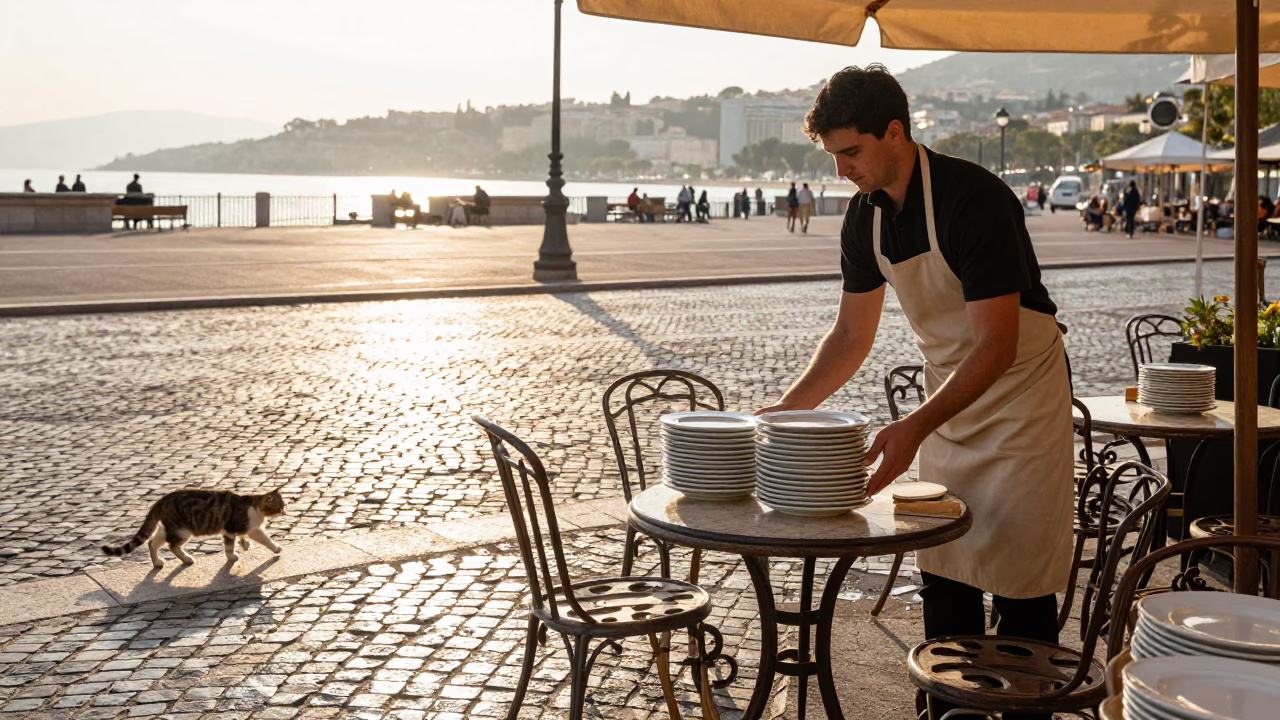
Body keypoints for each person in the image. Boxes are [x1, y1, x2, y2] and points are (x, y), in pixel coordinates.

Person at [760, 65, 1070, 720]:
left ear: (894, 132)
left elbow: (997, 345)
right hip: (948, 404)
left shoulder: (973, 199)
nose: (842, 170)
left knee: (1020, 582)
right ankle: (945, 709)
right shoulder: (863, 220)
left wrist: (914, 427)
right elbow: (849, 336)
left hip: (1020, 398)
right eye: (833, 156)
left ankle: (1024, 713)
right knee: (945, 565)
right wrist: (784, 413)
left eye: (852, 152)